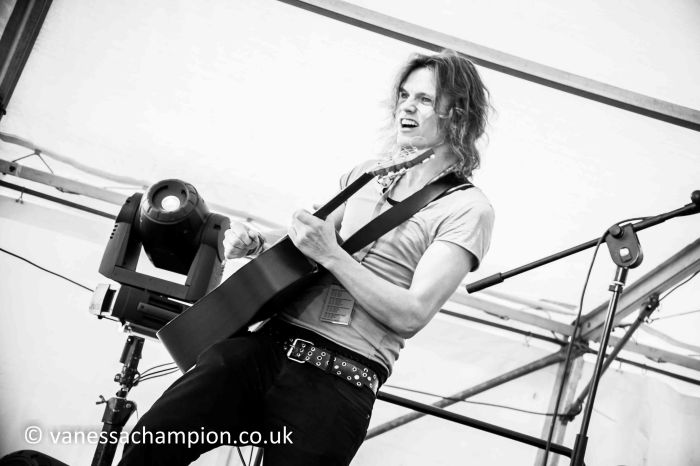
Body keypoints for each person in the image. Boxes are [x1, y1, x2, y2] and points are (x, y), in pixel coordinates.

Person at [118, 49, 494, 466]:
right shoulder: (367, 172)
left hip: (339, 384)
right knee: (150, 444)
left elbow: (412, 314)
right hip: (264, 349)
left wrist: (331, 254)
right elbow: (313, 239)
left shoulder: (468, 209)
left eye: (424, 99)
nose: (406, 106)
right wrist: (258, 243)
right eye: (404, 95)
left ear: (459, 113)